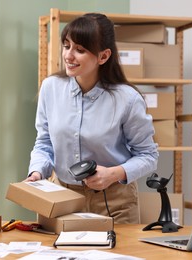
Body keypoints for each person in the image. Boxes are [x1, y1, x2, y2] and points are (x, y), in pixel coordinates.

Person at [25, 12, 158, 224]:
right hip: (60, 198)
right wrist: (36, 172)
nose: (68, 55)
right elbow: (44, 143)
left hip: (115, 202)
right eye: (66, 45)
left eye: (80, 50)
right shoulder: (50, 88)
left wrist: (113, 174)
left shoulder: (128, 99)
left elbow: (148, 156)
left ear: (103, 56)